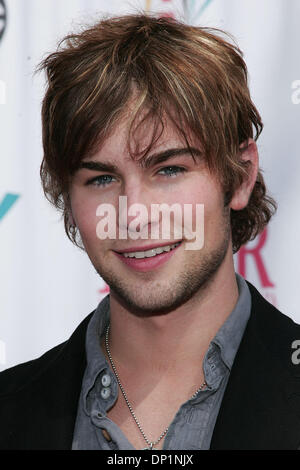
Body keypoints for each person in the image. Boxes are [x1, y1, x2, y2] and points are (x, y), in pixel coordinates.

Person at [1, 13, 300, 451]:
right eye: (101, 178)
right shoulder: (10, 410)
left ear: (239, 177)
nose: (135, 213)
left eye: (170, 169)